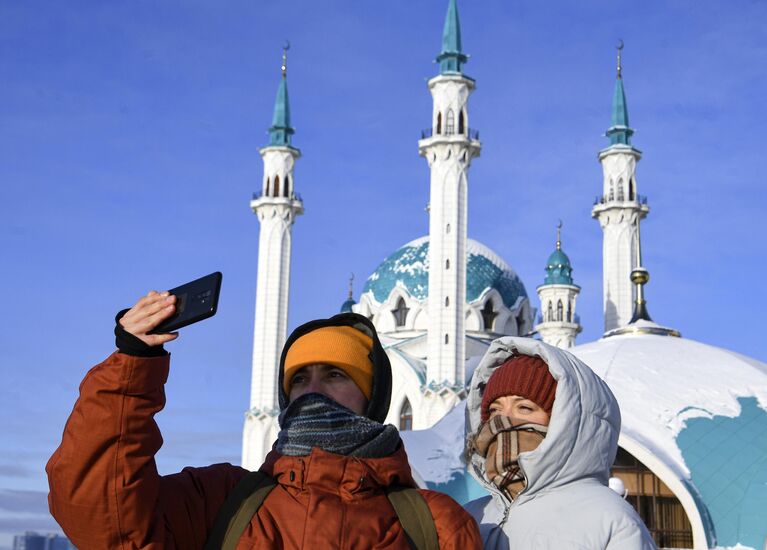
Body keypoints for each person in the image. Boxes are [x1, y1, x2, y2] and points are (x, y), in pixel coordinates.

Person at [47, 290, 481, 549]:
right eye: (299, 378)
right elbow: (106, 520)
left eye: (335, 374)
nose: (312, 389)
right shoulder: (222, 500)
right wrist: (133, 367)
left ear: (372, 397)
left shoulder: (434, 525)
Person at [463, 336, 656, 549]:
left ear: (564, 420)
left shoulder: (609, 520)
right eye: (494, 410)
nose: (502, 421)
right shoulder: (469, 518)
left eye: (524, 408)